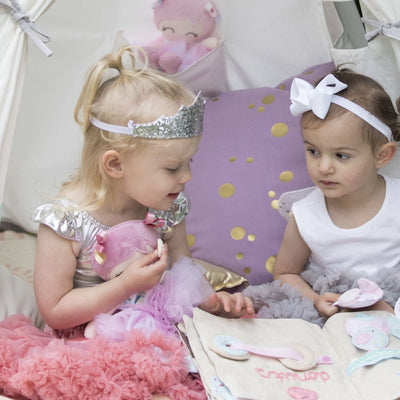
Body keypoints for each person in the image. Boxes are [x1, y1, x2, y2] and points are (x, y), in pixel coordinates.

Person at [0, 46, 253, 400]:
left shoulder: (166, 207)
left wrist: (208, 299)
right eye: (173, 168)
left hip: (156, 329)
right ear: (115, 165)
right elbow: (56, 312)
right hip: (86, 341)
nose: (187, 177)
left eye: (189, 162)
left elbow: (181, 268)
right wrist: (123, 287)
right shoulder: (67, 221)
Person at [272, 68, 400, 319]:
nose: (323, 167)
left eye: (341, 156)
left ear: (382, 155)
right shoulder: (306, 215)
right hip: (335, 312)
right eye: (313, 151)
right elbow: (285, 274)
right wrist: (316, 300)